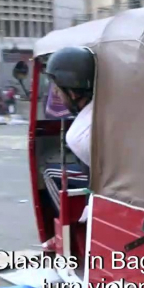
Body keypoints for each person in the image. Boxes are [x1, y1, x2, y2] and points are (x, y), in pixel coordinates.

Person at [41, 46, 95, 214]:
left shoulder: (78, 134)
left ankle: (67, 232)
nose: (56, 94)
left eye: (57, 91)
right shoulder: (107, 108)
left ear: (72, 93)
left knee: (49, 171)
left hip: (100, 197)